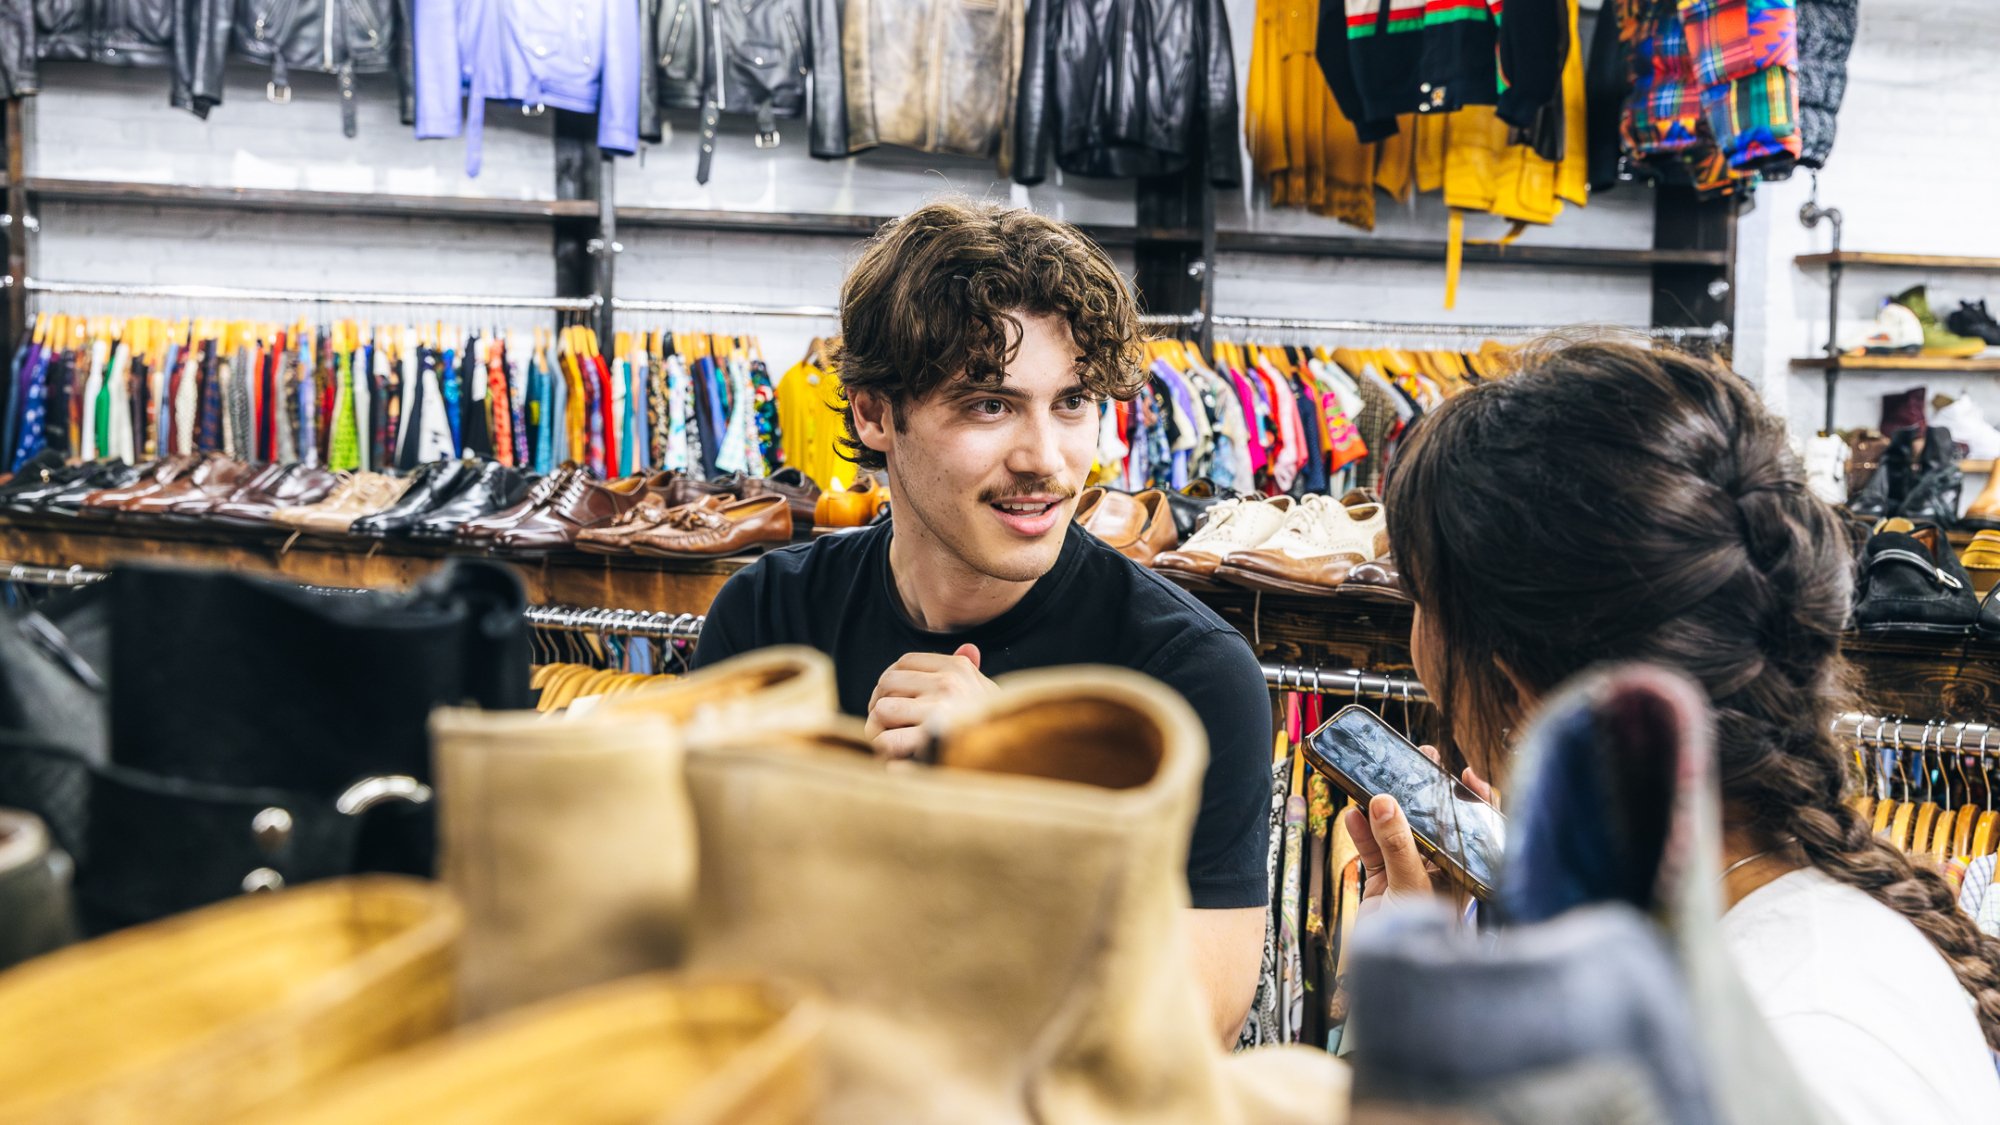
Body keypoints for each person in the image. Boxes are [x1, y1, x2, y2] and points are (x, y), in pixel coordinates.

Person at [1350, 339, 2000, 1123]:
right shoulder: (1762, 946)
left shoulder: (1790, 1042)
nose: (1415, 648)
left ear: (1522, 687)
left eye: (1419, 599)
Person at [691, 199, 1273, 1044]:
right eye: (990, 405)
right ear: (874, 414)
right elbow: (696, 937)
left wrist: (1015, 776)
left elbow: (1198, 1022)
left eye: (1072, 402)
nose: (1046, 458)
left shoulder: (1186, 672)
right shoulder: (769, 619)